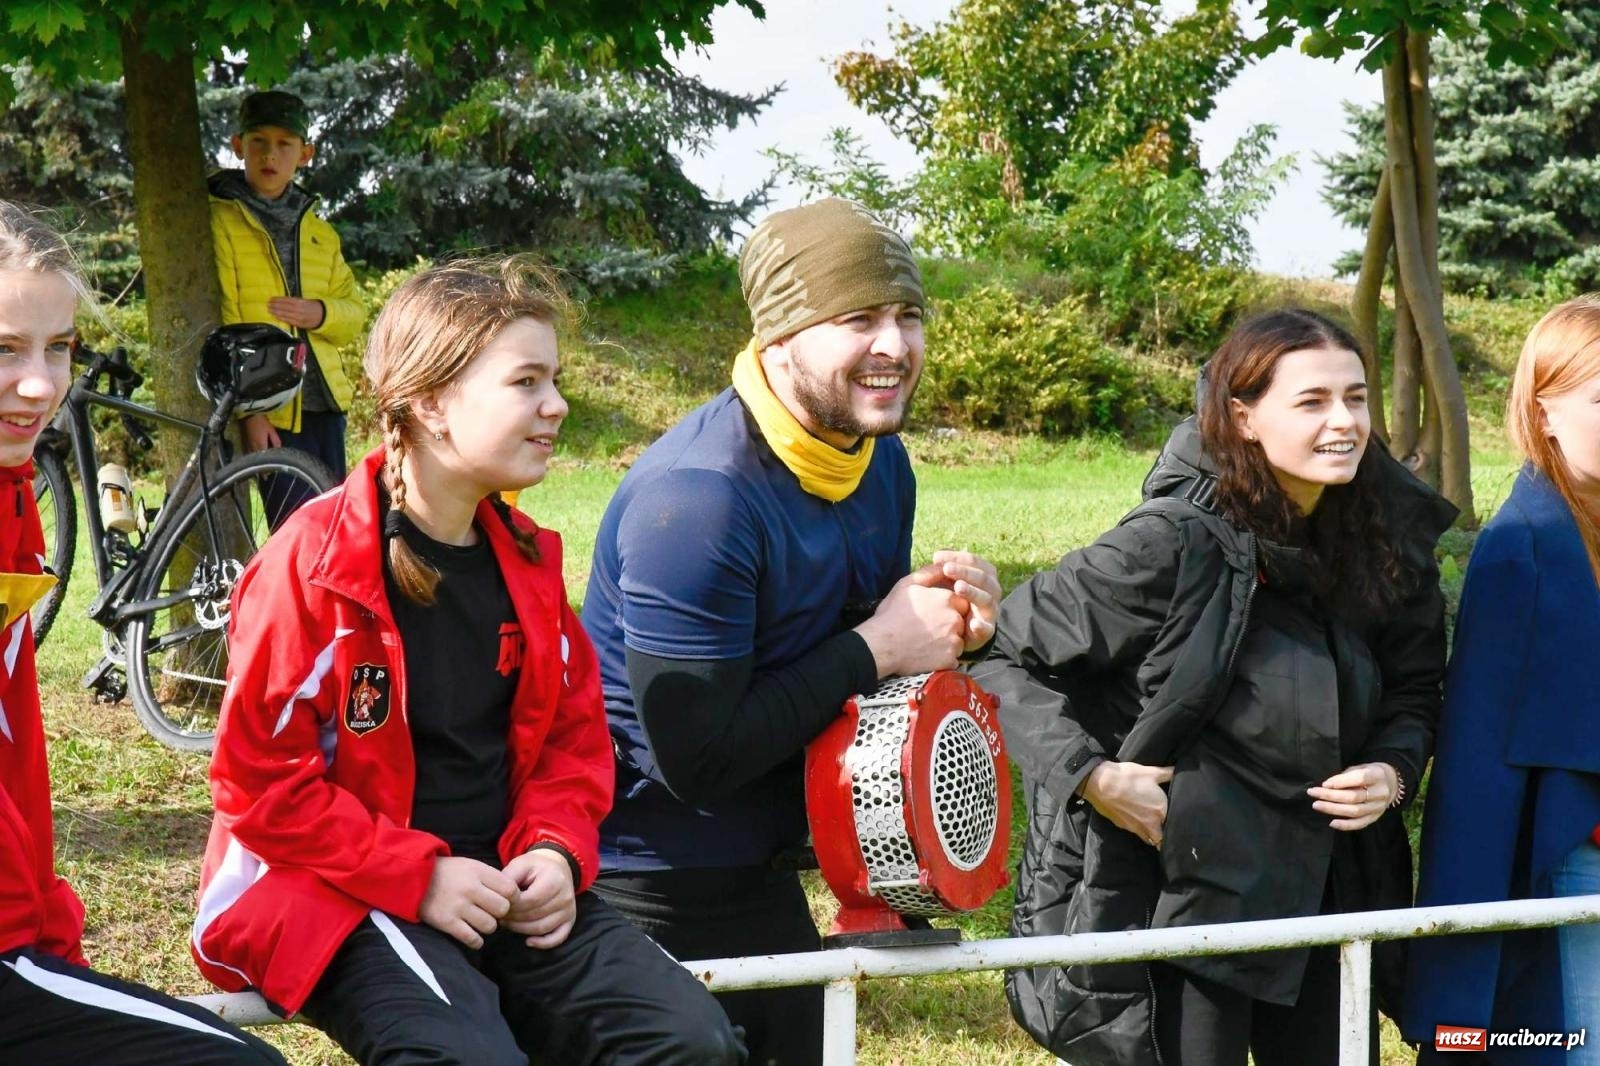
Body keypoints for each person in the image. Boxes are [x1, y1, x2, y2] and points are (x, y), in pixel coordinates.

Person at [192, 258, 743, 1065]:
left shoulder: (528, 562)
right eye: (526, 382)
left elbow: (572, 746)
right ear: (429, 404)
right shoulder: (311, 566)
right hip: (331, 888)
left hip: (498, 882)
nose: (557, 405)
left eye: (555, 379)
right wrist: (418, 877)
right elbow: (258, 787)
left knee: (691, 1040)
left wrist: (553, 850)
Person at [579, 197, 1002, 1066]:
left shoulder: (878, 462)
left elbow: (859, 681)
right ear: (777, 338)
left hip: (767, 872)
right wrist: (879, 645)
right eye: (858, 319)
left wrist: (957, 628)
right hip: (646, 886)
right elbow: (697, 761)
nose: (894, 345)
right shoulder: (697, 499)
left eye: (908, 315)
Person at [980, 309, 1456, 1066]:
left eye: (1356, 398)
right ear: (1243, 417)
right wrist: (1091, 776)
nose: (1344, 422)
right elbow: (996, 652)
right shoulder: (1168, 542)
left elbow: (1416, 686)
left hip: (1331, 897)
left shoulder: (1384, 535)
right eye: (1312, 401)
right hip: (1185, 902)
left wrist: (1393, 769)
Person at [0, 201, 285, 1063]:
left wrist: (51, 937)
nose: (41, 385)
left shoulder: (14, 491)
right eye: (5, 350)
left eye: (59, 347)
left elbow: (17, 744)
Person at [1403, 296, 1600, 1065]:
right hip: (1576, 856)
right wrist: (1458, 987)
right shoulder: (1522, 548)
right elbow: (1480, 758)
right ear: (1544, 412)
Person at [209, 88, 364, 514]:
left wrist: (321, 313)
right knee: (295, 528)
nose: (269, 155)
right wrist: (250, 412)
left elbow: (354, 315)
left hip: (325, 406)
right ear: (238, 146)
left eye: (284, 144)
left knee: (335, 525)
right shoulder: (221, 220)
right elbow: (228, 320)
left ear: (305, 154)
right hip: (271, 408)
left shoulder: (321, 233)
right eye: (258, 141)